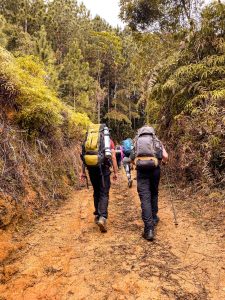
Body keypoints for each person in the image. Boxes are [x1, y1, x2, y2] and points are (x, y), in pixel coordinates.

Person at [133, 126, 168, 241]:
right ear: (152, 132)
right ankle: (154, 217)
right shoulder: (156, 140)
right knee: (154, 193)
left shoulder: (137, 140)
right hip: (155, 170)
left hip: (141, 171)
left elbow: (132, 156)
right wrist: (162, 161)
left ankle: (149, 230)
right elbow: (165, 156)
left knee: (145, 198)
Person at [81, 131, 118, 233]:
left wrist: (82, 172)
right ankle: (102, 217)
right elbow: (113, 157)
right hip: (104, 169)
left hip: (91, 169)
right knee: (104, 192)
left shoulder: (88, 142)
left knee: (96, 191)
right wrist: (115, 172)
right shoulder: (108, 141)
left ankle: (98, 215)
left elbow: (84, 157)